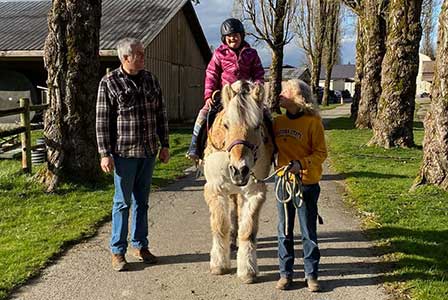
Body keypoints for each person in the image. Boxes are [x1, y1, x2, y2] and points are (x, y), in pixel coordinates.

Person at [96, 37, 170, 272]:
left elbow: (161, 113)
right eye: (139, 53)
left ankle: (140, 245)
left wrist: (165, 144)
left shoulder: (150, 80)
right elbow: (102, 121)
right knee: (122, 202)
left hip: (148, 151)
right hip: (124, 154)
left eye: (143, 52)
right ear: (125, 58)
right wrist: (104, 153)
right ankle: (118, 251)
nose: (143, 57)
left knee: (142, 202)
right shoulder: (109, 82)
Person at [273, 79, 327, 291]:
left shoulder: (313, 123)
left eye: (286, 90)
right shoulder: (277, 122)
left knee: (307, 231)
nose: (281, 93)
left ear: (298, 98)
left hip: (306, 184)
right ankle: (285, 274)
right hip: (282, 183)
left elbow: (321, 153)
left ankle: (311, 275)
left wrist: (300, 164)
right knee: (284, 230)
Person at [186, 18, 265, 160]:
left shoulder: (251, 53)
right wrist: (209, 95)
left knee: (267, 115)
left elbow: (258, 72)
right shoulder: (219, 54)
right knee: (203, 114)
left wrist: (257, 87)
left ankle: (274, 147)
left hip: (247, 96)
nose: (232, 38)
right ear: (224, 38)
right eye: (229, 36)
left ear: (241, 36)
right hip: (226, 95)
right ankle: (194, 146)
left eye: (235, 35)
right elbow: (211, 74)